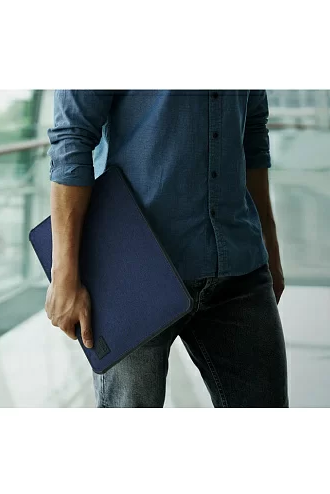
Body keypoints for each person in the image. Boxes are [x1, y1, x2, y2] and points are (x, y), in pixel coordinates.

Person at [45, 90, 288, 408]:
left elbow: (252, 131)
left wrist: (270, 246)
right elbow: (71, 137)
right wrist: (64, 274)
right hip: (133, 273)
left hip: (238, 266)